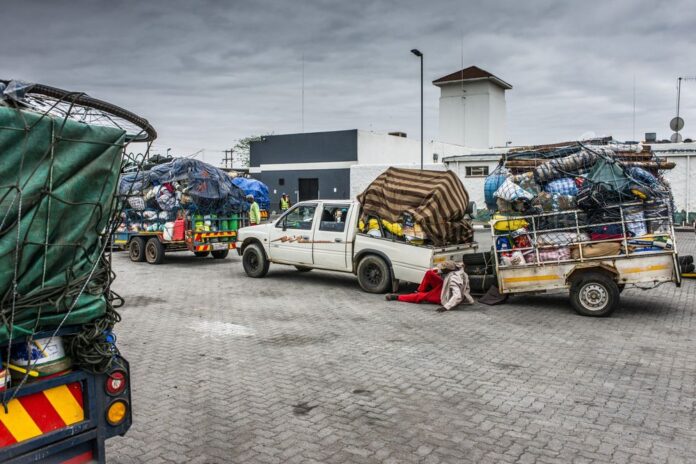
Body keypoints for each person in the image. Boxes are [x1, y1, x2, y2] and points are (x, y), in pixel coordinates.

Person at [385, 261, 474, 312]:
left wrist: (446, 307)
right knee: (429, 273)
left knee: (419, 297)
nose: (440, 270)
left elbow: (457, 296)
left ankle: (397, 297)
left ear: (447, 270)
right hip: (445, 287)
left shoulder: (454, 278)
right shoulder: (457, 268)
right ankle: (420, 291)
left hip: (444, 296)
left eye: (442, 269)